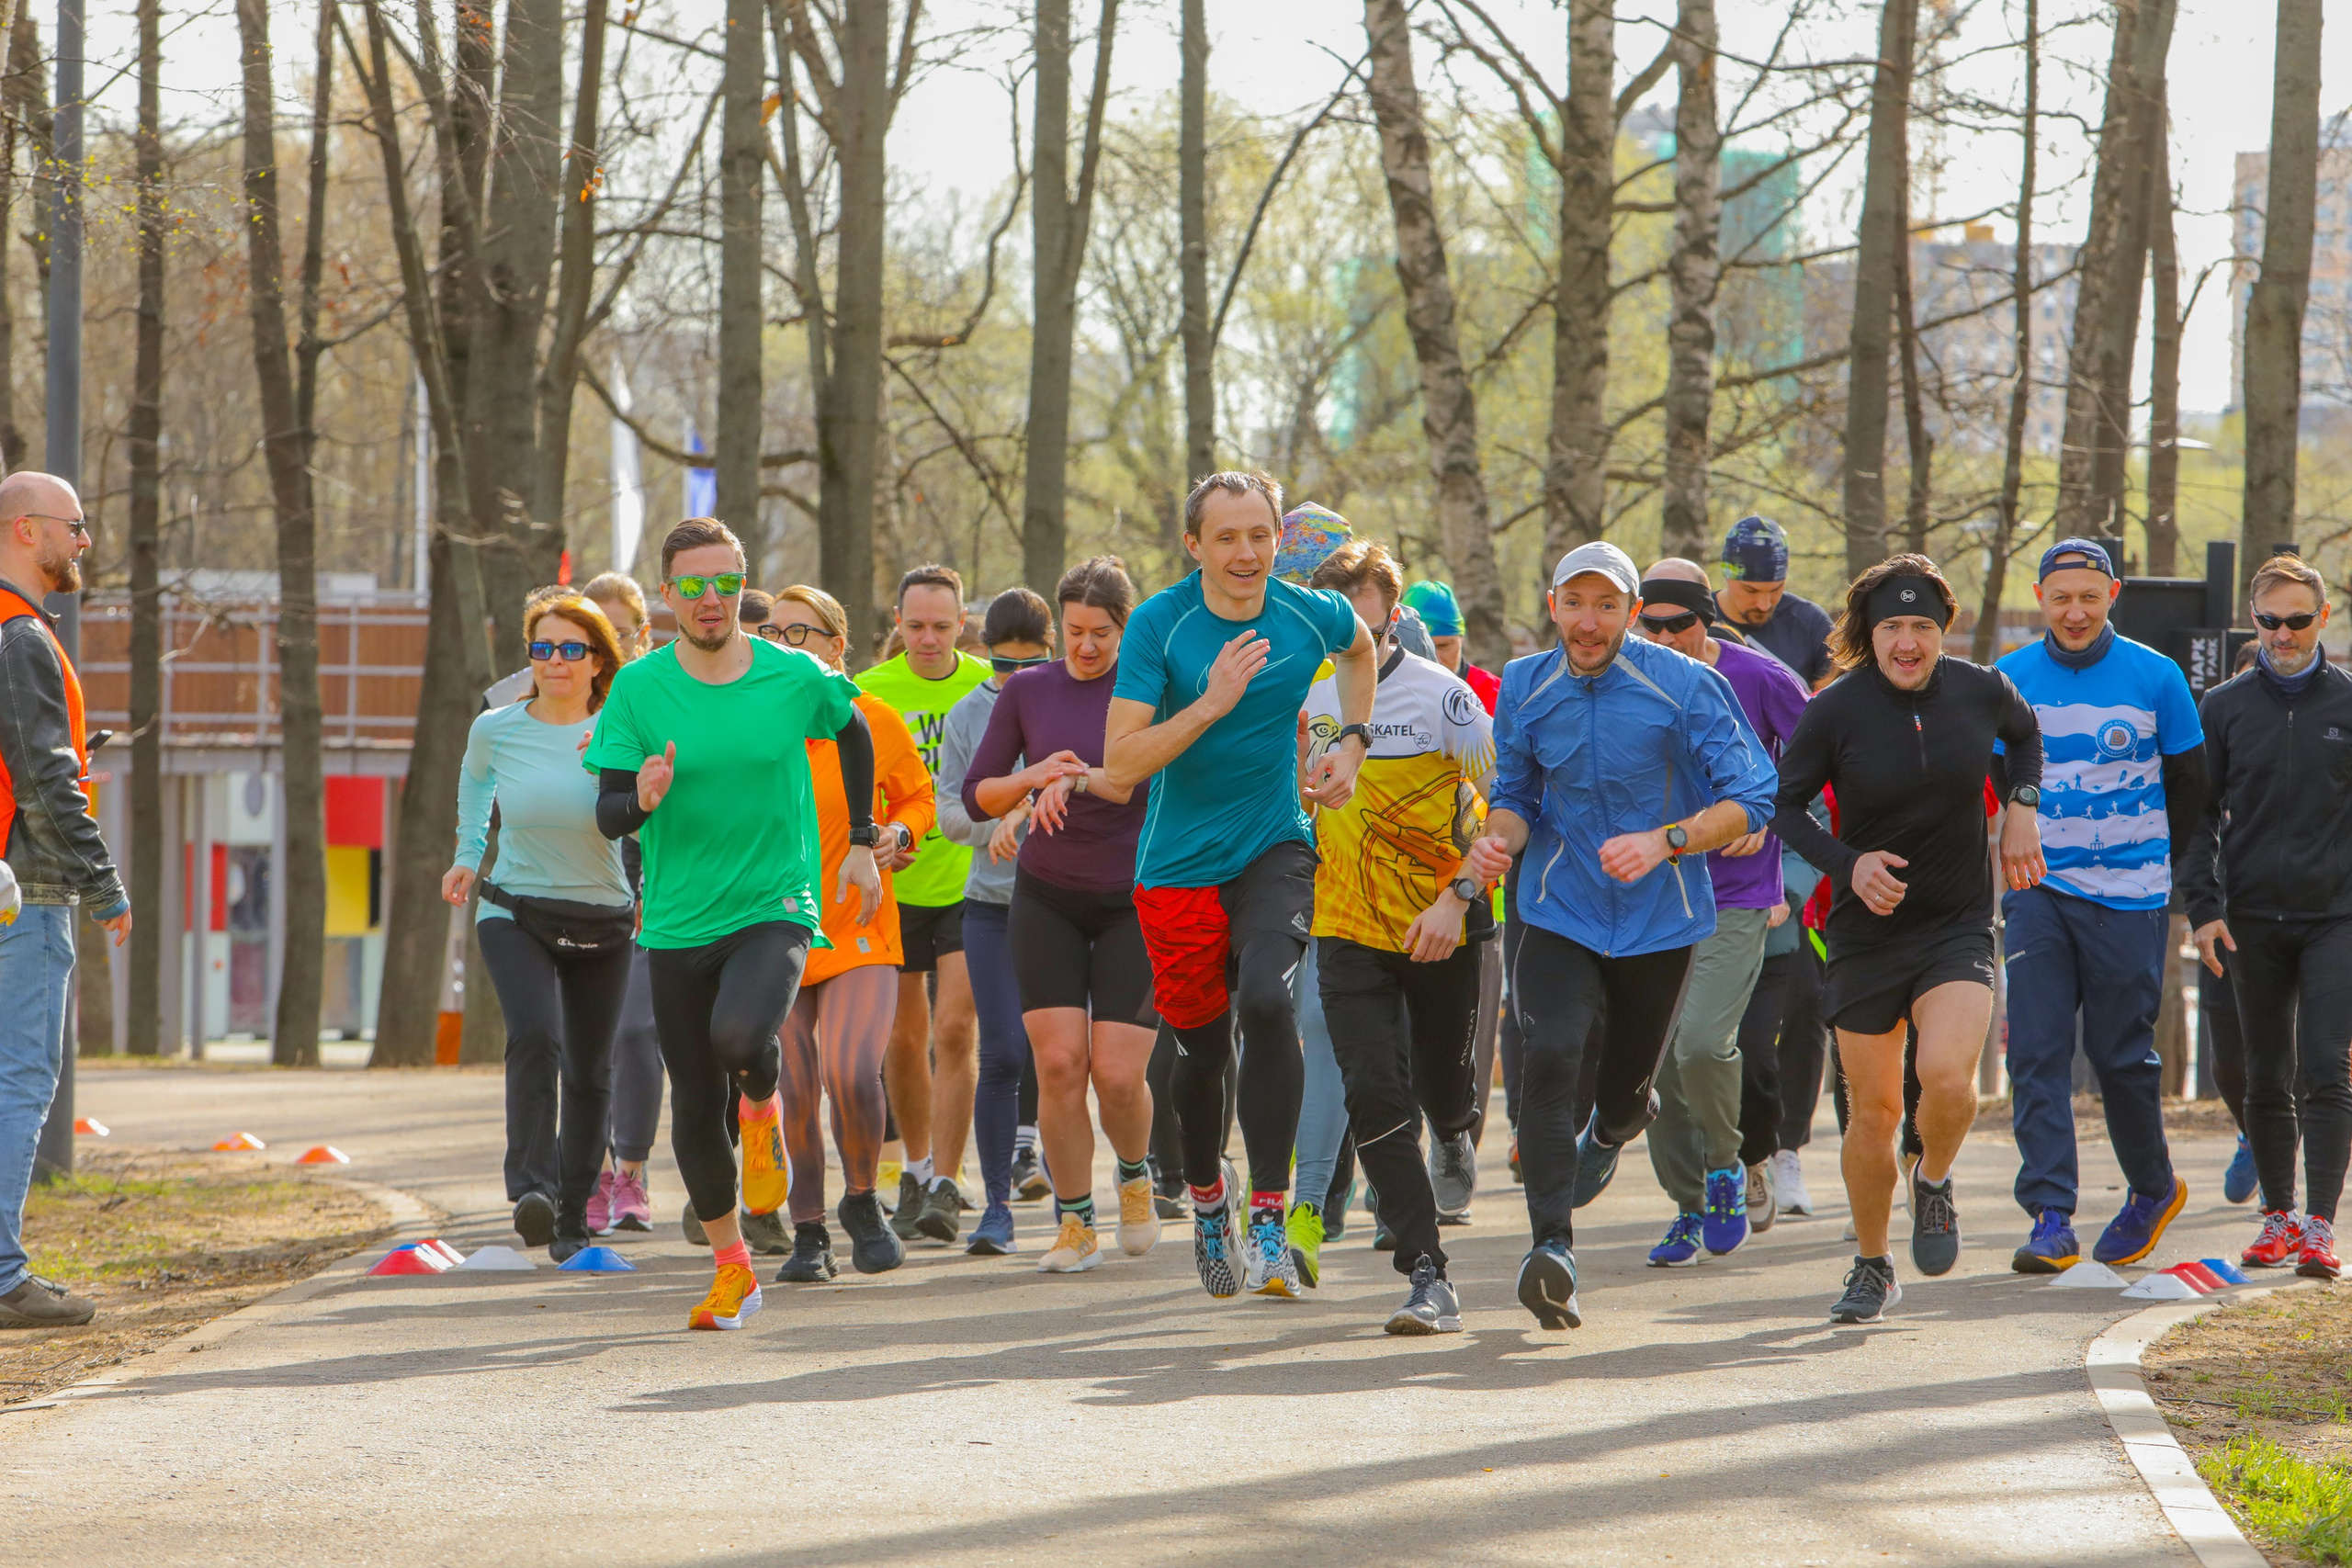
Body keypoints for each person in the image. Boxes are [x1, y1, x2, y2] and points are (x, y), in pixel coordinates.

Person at [1466, 539, 1778, 1330]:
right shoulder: (1526, 686)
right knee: (1548, 1056)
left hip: (1660, 915)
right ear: (1553, 607)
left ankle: (1611, 1128)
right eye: (1575, 602)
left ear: (1633, 614)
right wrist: (1495, 839)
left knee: (1628, 1090)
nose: (1589, 620)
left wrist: (1666, 840)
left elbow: (1755, 793)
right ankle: (1553, 1250)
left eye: (1607, 605)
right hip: (1557, 905)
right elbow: (1515, 793)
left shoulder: (1684, 685)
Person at [586, 519, 880, 1332]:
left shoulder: (793, 675)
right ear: (668, 593)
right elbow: (609, 810)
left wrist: (858, 842)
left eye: (724, 582)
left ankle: (763, 1106)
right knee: (690, 1102)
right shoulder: (641, 690)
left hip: (774, 902)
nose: (710, 599)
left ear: (740, 583)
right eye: (692, 584)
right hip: (677, 918)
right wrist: (639, 798)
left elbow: (851, 727)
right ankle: (732, 1268)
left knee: (741, 1035)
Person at [1105, 470, 1377, 1301]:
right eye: (1226, 537)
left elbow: (1362, 647)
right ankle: (1208, 1195)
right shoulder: (1161, 624)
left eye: (1259, 534)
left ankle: (1268, 1215)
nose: (1246, 552)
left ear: (1277, 538)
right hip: (1178, 865)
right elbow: (1120, 764)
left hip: (1275, 842)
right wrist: (1209, 704)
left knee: (1267, 999)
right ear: (1194, 545)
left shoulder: (1307, 612)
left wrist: (1352, 743)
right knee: (1197, 1047)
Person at [1770, 554, 2046, 1324]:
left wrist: (2020, 806)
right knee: (1876, 1113)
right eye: (1892, 625)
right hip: (1867, 933)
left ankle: (1933, 1179)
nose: (1907, 639)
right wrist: (1847, 864)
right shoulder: (1834, 708)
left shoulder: (1981, 689)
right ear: (1870, 631)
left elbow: (2025, 739)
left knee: (1949, 1082)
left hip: (1955, 922)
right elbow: (1786, 808)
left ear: (1941, 631)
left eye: (1922, 625)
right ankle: (1872, 1262)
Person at [1995, 538, 2204, 1274]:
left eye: (2089, 596)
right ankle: (2050, 1214)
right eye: (2061, 598)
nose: (2075, 611)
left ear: (2112, 593)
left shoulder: (2158, 675)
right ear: (2039, 597)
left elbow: (2190, 785)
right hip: (2037, 887)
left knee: (2120, 1055)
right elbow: (1994, 778)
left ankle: (2153, 1188)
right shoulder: (2009, 676)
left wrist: (2165, 873)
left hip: (2131, 893)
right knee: (2036, 1049)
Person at [1303, 540, 1496, 1334]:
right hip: (1345, 926)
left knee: (1439, 1088)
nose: (1357, 640)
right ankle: (1427, 1270)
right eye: (1340, 623)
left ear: (1393, 616)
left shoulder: (1446, 700)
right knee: (1374, 1091)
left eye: (1369, 622)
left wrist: (1456, 898)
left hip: (1441, 925)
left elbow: (1498, 813)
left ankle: (1455, 1130)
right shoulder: (1305, 697)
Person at [967, 557, 1162, 1274]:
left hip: (1133, 899)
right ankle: (1076, 1224)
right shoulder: (1027, 688)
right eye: (1075, 631)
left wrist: (1079, 777)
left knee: (1115, 1073)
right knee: (1056, 1063)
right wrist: (1033, 777)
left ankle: (1136, 1174)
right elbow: (976, 792)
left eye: (1101, 634)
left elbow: (1141, 775)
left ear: (1125, 630)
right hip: (1046, 894)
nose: (1086, 646)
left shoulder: (1151, 689)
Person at [1629, 559, 1809, 1264]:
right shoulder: (1620, 674)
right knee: (1654, 1063)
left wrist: (1768, 807)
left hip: (1736, 894)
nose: (1667, 635)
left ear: (1709, 619)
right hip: (1647, 894)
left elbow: (1820, 746)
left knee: (1701, 1041)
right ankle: (1690, 1204)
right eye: (1653, 623)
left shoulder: (1759, 675)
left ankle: (1729, 1165)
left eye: (1683, 623)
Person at [447, 593, 636, 1261]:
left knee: (590, 1068)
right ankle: (533, 1187)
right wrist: (468, 858)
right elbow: (474, 785)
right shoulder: (497, 727)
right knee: (535, 1034)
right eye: (542, 648)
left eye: (570, 649)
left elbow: (649, 807)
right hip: (514, 907)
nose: (554, 662)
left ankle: (573, 1215)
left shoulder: (622, 725)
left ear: (597, 661)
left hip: (604, 914)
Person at [2183, 553, 2352, 1281]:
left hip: (2334, 918)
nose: (2282, 634)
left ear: (2323, 618)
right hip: (2247, 917)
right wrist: (2204, 907)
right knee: (2263, 1073)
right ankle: (2277, 1219)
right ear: (2253, 620)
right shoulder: (2221, 707)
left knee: (2325, 1069)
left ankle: (2320, 1226)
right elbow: (2194, 817)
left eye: (2297, 619)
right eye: (2269, 621)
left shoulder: (2348, 703)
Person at [764, 585, 934, 1281]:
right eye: (772, 631)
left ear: (837, 646)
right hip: (775, 922)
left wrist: (899, 831)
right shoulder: (756, 719)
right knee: (796, 1085)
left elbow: (919, 795)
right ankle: (809, 1231)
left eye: (798, 632)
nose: (781, 643)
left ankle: (862, 1200)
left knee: (846, 1065)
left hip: (859, 920)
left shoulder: (871, 717)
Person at [0, 473, 130, 1331]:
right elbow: (44, 780)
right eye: (73, 528)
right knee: (21, 1078)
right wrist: (103, 882)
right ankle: (5, 1277)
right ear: (24, 530)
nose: (83, 543)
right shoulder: (23, 638)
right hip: (26, 891)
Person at [856, 566, 991, 1244]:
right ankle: (911, 1168)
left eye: (943, 626)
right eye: (915, 626)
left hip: (968, 882)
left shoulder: (989, 685)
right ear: (898, 622)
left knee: (955, 1031)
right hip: (893, 887)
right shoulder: (869, 692)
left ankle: (945, 1177)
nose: (929, 639)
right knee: (903, 1039)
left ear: (963, 621)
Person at [936, 588, 1054, 1254]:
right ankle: (996, 1210)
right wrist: (997, 820)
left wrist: (1029, 810)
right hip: (990, 904)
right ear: (985, 657)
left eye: (1029, 666)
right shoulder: (966, 714)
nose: (1015, 681)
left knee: (1072, 1056)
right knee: (1002, 1051)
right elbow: (950, 814)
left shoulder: (1071, 699)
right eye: (1003, 668)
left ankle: (1078, 1205)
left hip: (1067, 899)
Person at [579, 572, 662, 1237]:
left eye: (621, 632)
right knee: (580, 1040)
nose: (608, 648)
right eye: (592, 635)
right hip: (570, 882)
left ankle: (629, 1171)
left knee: (636, 1030)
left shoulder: (657, 698)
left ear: (641, 636)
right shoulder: (546, 702)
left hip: (642, 878)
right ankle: (585, 1172)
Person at [1713, 515, 1837, 692]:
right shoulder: (1694, 622)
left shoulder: (1811, 623)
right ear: (1727, 576)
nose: (1764, 604)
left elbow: (1833, 699)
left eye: (1775, 590)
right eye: (1751, 590)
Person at [1401, 578, 1500, 714]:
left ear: (1462, 639)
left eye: (1443, 646)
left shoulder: (1495, 696)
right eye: (1421, 648)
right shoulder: (1377, 692)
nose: (1435, 659)